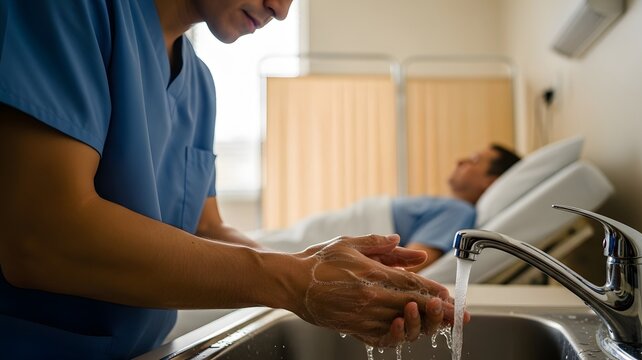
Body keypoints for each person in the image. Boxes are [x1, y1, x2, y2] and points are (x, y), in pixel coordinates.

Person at [0, 0, 463, 358]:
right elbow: (43, 237)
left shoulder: (199, 84)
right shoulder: (71, 10)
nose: (281, 10)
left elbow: (207, 228)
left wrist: (322, 272)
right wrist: (292, 281)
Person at [257, 144, 521, 272]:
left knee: (261, 250)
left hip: (341, 234)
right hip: (333, 227)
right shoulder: (450, 207)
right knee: (261, 243)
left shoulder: (459, 212)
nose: (461, 160)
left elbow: (414, 261)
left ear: (491, 182)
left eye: (474, 160)